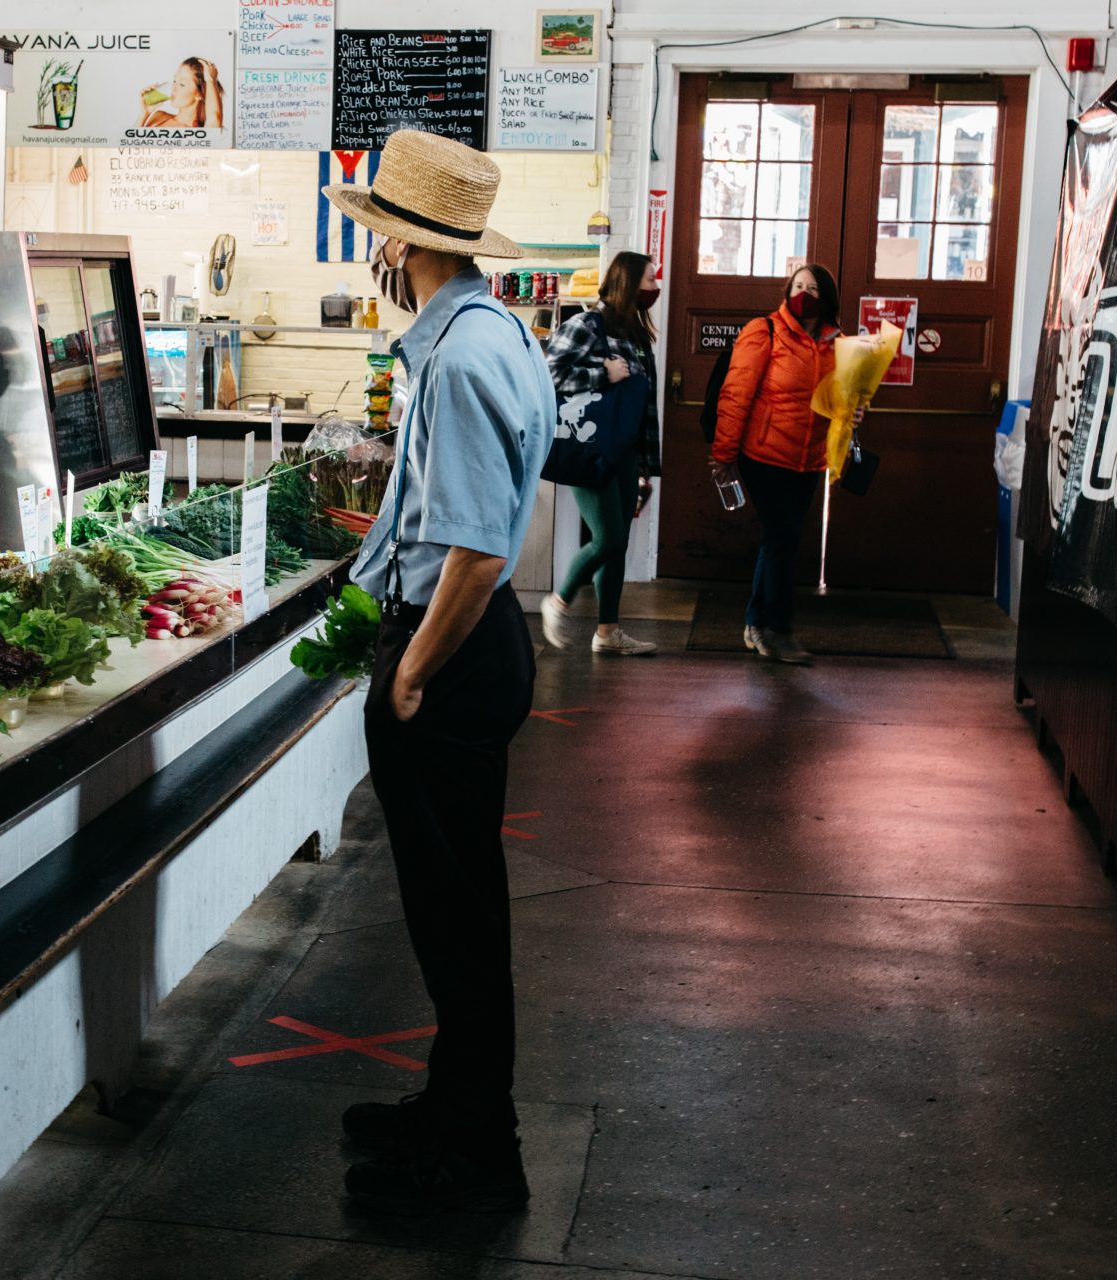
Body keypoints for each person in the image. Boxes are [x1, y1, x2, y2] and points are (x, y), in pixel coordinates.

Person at [326, 129, 553, 1215]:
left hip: (452, 650)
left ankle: (479, 1157)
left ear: (403, 249)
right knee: (458, 906)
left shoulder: (457, 358)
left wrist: (409, 671)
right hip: (478, 644)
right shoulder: (493, 328)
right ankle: (456, 1107)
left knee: (453, 916)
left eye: (379, 239)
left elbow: (471, 548)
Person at [710, 263, 853, 666]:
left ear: (826, 298)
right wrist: (724, 454)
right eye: (797, 286)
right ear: (787, 291)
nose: (803, 293)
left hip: (809, 461)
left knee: (779, 540)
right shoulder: (764, 331)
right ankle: (778, 631)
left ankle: (756, 623)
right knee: (783, 538)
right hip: (765, 455)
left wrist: (855, 413)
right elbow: (736, 394)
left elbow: (844, 398)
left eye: (812, 288)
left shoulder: (837, 342)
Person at [541, 250, 663, 656]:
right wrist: (602, 374)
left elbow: (645, 405)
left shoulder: (637, 335)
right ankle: (558, 601)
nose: (655, 287)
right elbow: (547, 374)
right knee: (608, 538)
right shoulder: (585, 325)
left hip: (625, 452)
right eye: (649, 279)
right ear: (629, 282)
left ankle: (608, 632)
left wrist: (646, 465)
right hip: (589, 447)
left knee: (619, 541)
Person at [137, 57, 225, 129]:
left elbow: (215, 118)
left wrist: (210, 80)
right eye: (174, 81)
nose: (173, 87)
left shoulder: (200, 132)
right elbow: (130, 145)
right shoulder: (159, 117)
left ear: (199, 94)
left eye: (182, 84)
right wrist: (144, 114)